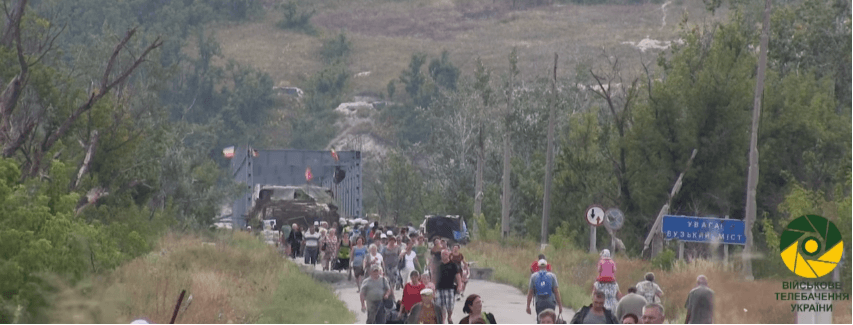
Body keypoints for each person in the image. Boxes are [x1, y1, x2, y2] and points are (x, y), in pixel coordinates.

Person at [435, 250, 463, 323]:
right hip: (439, 288)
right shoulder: (438, 265)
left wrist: (460, 285)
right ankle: (443, 320)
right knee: (440, 307)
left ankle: (449, 317)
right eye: (442, 254)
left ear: (448, 255)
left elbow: (458, 276)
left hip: (450, 288)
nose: (444, 255)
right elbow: (434, 277)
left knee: (450, 306)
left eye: (445, 254)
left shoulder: (453, 265)